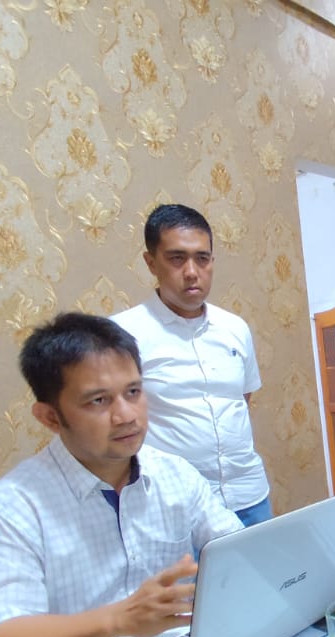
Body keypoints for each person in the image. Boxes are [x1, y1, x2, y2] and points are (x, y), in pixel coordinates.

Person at [0, 312, 243, 637]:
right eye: (98, 401)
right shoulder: (17, 506)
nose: (126, 415)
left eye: (133, 392)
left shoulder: (174, 473)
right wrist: (117, 619)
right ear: (50, 417)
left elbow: (241, 553)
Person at [113, 204, 273, 527]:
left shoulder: (235, 328)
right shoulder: (122, 335)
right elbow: (116, 423)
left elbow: (241, 401)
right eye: (177, 258)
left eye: (202, 258)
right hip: (176, 506)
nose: (191, 271)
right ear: (151, 263)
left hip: (249, 497)